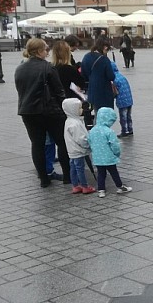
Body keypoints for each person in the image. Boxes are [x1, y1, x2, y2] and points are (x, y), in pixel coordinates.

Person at [15, 39, 72, 188]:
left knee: (37, 144)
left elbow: (21, 90)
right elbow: (59, 92)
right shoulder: (48, 68)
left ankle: (44, 179)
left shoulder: (20, 68)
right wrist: (65, 109)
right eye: (46, 49)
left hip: (28, 112)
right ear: (39, 51)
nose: (48, 52)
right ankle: (67, 176)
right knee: (61, 141)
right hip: (50, 111)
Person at [88, 107, 132, 198]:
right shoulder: (109, 131)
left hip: (97, 158)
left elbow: (89, 142)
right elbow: (115, 145)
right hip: (109, 157)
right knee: (114, 172)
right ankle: (120, 187)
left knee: (101, 173)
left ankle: (101, 190)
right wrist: (117, 154)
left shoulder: (92, 130)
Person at [62, 98, 95, 195]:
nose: (81, 110)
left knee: (73, 167)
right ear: (73, 109)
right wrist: (88, 144)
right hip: (79, 150)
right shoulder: (75, 124)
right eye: (79, 108)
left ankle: (75, 185)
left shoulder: (69, 121)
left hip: (71, 150)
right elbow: (81, 139)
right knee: (80, 168)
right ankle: (85, 186)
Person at [81, 37, 116, 114]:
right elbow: (111, 76)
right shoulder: (104, 59)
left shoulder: (86, 56)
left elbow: (83, 74)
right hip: (104, 93)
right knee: (105, 115)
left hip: (91, 91)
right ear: (105, 47)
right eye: (107, 50)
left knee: (96, 112)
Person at [111, 62, 134, 137]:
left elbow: (115, 91)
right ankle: (130, 129)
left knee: (123, 117)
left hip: (122, 101)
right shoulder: (121, 76)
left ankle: (124, 131)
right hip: (129, 99)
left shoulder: (114, 79)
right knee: (128, 116)